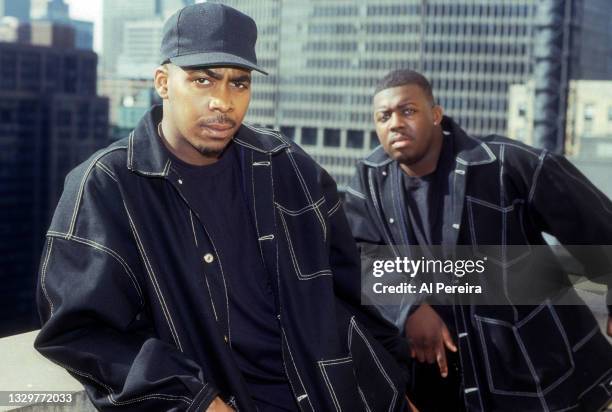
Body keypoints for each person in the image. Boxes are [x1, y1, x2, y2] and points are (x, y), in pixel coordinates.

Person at [34, 4, 413, 411]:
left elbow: (356, 283)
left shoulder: (288, 166)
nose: (223, 102)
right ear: (163, 82)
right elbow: (78, 331)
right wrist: (195, 400)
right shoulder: (107, 185)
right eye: (202, 80)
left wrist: (395, 382)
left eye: (239, 83)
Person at [344, 68, 612, 411]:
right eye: (383, 116)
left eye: (407, 110)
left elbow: (594, 224)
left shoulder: (503, 163)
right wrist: (407, 307)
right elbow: (357, 255)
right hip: (440, 380)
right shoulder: (368, 180)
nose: (395, 122)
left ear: (436, 115)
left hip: (533, 368)